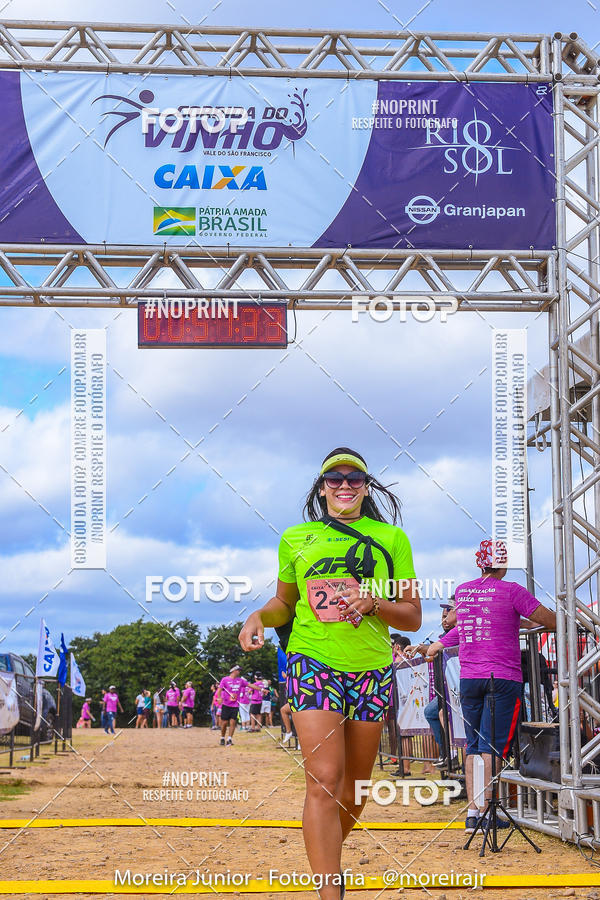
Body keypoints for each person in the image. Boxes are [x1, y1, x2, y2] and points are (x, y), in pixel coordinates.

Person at [239, 446, 421, 900]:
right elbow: (285, 604)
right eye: (334, 479)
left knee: (355, 792)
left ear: (366, 487)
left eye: (353, 478)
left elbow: (413, 615)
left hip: (371, 668)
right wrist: (258, 616)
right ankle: (329, 891)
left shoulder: (392, 539)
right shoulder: (296, 537)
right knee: (323, 779)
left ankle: (324, 854)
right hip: (313, 661)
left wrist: (374, 603)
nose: (344, 485)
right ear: (322, 489)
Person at [425, 539, 557, 834]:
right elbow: (545, 618)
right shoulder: (512, 590)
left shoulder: (464, 591)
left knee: (473, 745)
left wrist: (438, 644)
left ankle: (473, 813)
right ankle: (487, 810)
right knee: (492, 746)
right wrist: (562, 620)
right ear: (504, 564)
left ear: (479, 563)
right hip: (502, 678)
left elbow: (467, 626)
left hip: (470, 677)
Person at [405, 598, 458, 766]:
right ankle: (447, 752)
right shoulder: (445, 636)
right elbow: (433, 651)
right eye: (443, 616)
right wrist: (421, 650)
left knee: (441, 714)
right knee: (433, 712)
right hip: (446, 687)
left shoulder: (460, 632)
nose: (445, 619)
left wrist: (423, 649)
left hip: (457, 686)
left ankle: (451, 753)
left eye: (448, 613)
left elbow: (434, 649)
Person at [216, 664, 251, 746]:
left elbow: (249, 685)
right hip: (226, 704)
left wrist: (262, 689)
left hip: (235, 705)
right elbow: (219, 690)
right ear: (234, 670)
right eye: (238, 670)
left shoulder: (240, 680)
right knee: (224, 723)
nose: (239, 672)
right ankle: (222, 737)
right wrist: (219, 698)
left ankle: (229, 739)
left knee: (233, 722)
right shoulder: (225, 679)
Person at [277, 644, 294, 745]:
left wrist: (286, 676)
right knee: (284, 710)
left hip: (299, 697)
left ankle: (289, 732)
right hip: (294, 696)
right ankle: (289, 732)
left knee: (287, 711)